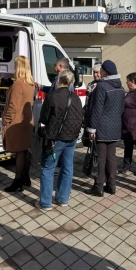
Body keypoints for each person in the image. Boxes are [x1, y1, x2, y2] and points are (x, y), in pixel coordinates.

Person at [37, 70, 84, 211]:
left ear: (59, 80)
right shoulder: (75, 98)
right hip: (71, 138)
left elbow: (44, 118)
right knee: (68, 168)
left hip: (56, 139)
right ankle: (63, 199)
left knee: (47, 168)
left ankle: (45, 203)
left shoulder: (52, 97)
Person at [84, 60, 126, 197]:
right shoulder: (120, 88)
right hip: (115, 127)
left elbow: (96, 109)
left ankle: (98, 187)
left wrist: (91, 129)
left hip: (101, 127)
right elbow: (121, 109)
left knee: (100, 158)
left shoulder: (102, 87)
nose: (99, 72)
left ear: (105, 72)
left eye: (101, 70)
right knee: (111, 157)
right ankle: (112, 185)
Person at [2, 56, 35, 192]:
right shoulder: (30, 83)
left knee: (20, 153)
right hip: (27, 121)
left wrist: (6, 120)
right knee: (25, 151)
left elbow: (13, 107)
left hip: (17, 122)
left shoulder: (18, 84)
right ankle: (25, 178)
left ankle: (18, 181)